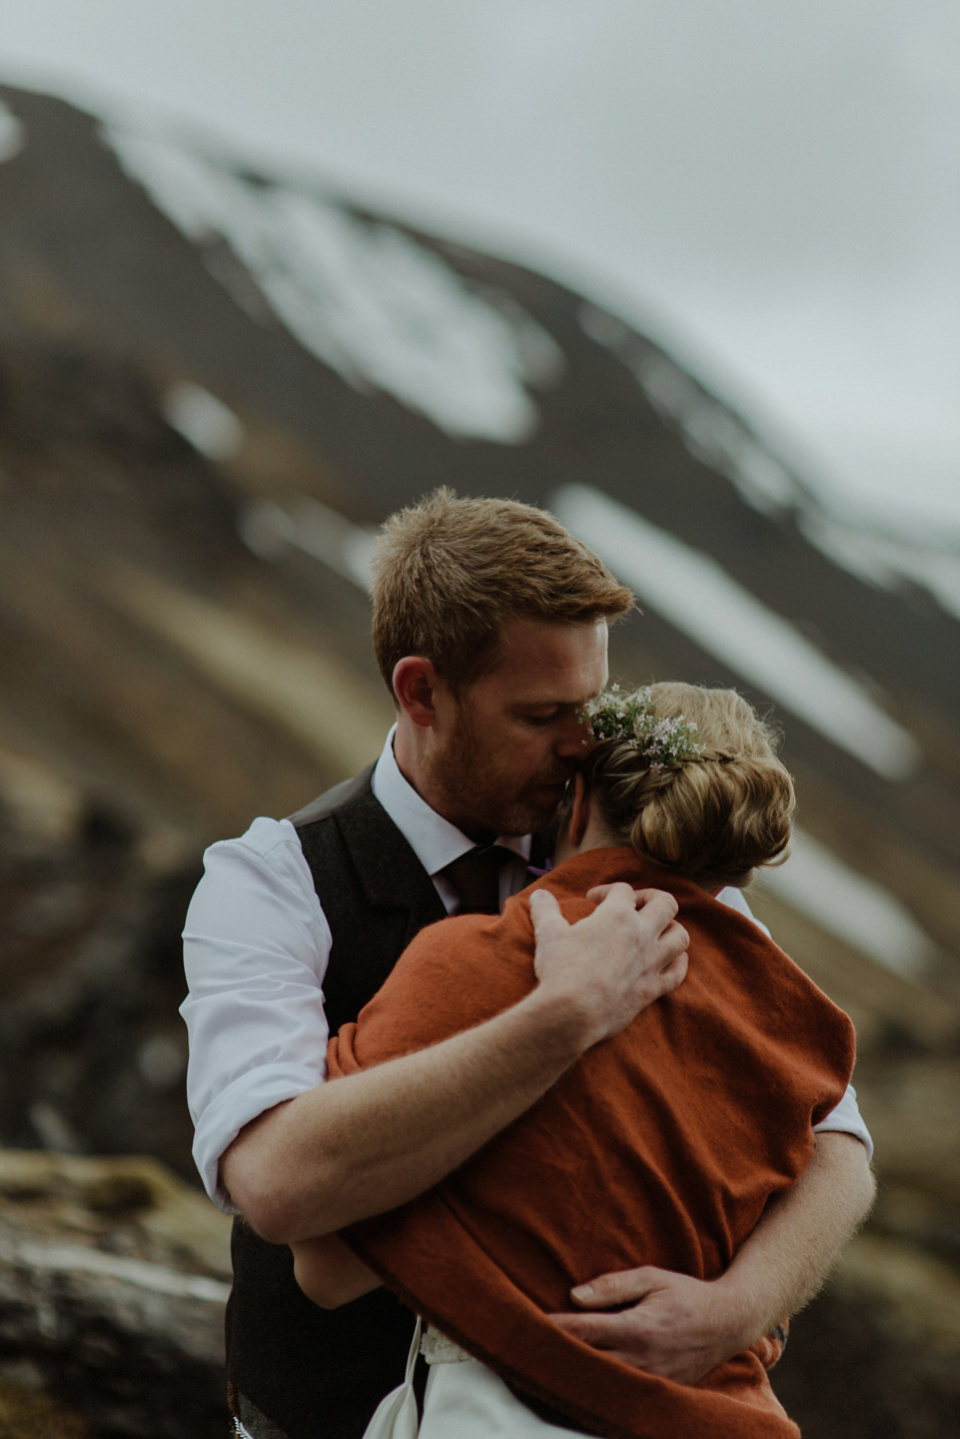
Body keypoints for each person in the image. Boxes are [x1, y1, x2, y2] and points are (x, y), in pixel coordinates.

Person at [181, 491, 874, 1439]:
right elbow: (276, 1181)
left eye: (592, 705)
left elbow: (836, 1135)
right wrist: (563, 1017)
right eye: (544, 713)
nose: (582, 744)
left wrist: (733, 1312)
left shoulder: (650, 851)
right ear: (420, 691)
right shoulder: (270, 882)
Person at [292, 683, 857, 1438]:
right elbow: (840, 1158)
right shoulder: (797, 1029)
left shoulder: (480, 963)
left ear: (579, 797)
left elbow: (324, 1265)